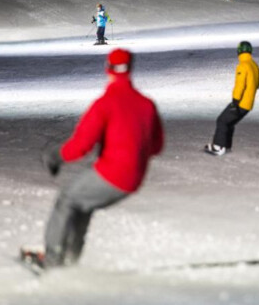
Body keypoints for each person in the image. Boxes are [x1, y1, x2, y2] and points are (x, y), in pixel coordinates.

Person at [22, 49, 164, 271]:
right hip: (134, 179)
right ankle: (69, 261)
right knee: (82, 206)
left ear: (108, 69)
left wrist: (55, 157)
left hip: (113, 173)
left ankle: (51, 262)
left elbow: (81, 145)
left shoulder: (105, 103)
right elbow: (156, 147)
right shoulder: (147, 105)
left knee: (67, 200)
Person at [204, 41, 259, 156]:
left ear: (239, 51)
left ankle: (218, 146)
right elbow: (257, 84)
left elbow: (240, 85)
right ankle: (226, 146)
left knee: (222, 120)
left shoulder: (243, 65)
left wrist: (235, 101)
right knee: (229, 123)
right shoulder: (254, 65)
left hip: (240, 102)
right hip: (249, 103)